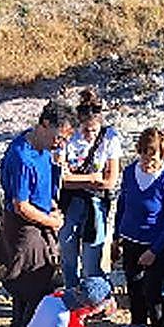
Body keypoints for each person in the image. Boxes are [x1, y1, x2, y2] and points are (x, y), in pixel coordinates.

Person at [0, 99, 77, 327]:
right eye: (59, 137)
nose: (59, 144)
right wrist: (52, 222)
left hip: (41, 218)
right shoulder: (22, 156)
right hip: (25, 226)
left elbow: (43, 187)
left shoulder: (43, 151)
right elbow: (22, 204)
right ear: (44, 124)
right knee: (31, 282)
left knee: (34, 281)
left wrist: (52, 206)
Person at [113, 127, 164, 327]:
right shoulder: (130, 172)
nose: (146, 159)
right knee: (133, 283)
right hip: (130, 238)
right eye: (143, 153)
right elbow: (122, 204)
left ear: (162, 153)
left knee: (153, 290)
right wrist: (117, 235)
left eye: (151, 154)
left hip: (155, 243)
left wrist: (154, 250)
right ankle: (138, 322)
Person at [58, 89, 123, 287]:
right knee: (69, 257)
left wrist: (82, 179)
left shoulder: (109, 137)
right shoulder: (68, 137)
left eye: (94, 130)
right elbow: (63, 179)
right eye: (86, 130)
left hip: (96, 202)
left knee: (91, 258)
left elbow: (110, 180)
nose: (90, 135)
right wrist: (92, 178)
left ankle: (94, 296)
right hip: (69, 203)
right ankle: (71, 295)